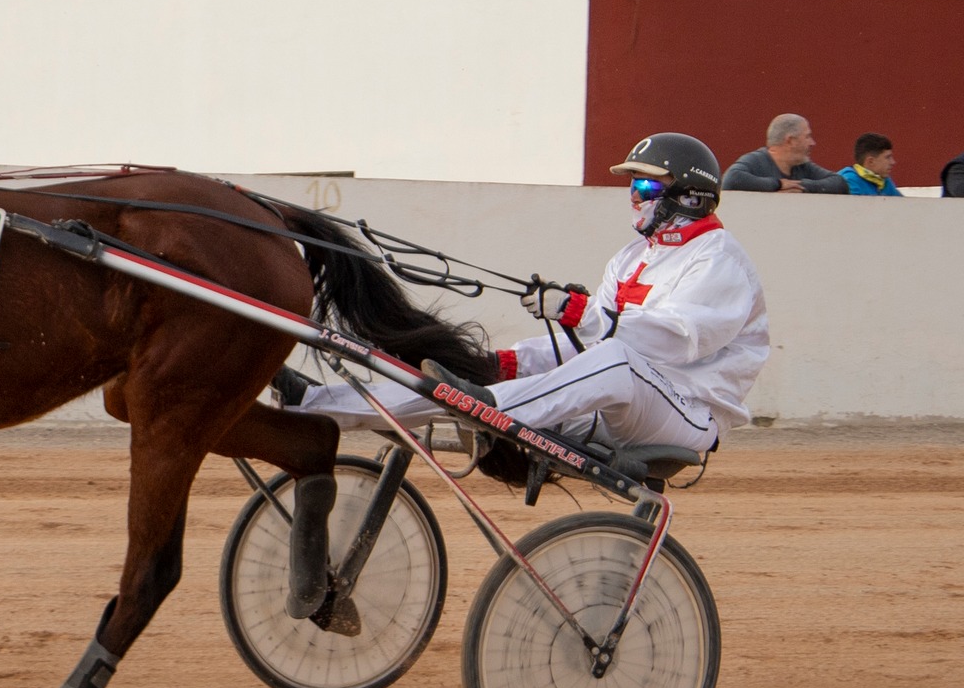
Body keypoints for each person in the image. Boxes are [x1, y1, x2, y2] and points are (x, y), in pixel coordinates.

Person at [285, 133, 768, 457]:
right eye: (632, 185)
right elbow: (590, 348)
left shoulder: (718, 258)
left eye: (645, 183)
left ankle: (487, 409)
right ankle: (319, 404)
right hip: (625, 403)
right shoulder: (631, 257)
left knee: (612, 360)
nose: (635, 195)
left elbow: (675, 341)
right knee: (458, 386)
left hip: (689, 415)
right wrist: (512, 361)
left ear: (688, 195)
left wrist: (579, 312)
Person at [721, 114, 845, 194]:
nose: (812, 143)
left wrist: (802, 187)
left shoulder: (803, 166)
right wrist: (778, 184)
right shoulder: (755, 160)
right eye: (807, 137)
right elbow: (732, 179)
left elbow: (839, 183)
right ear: (790, 140)